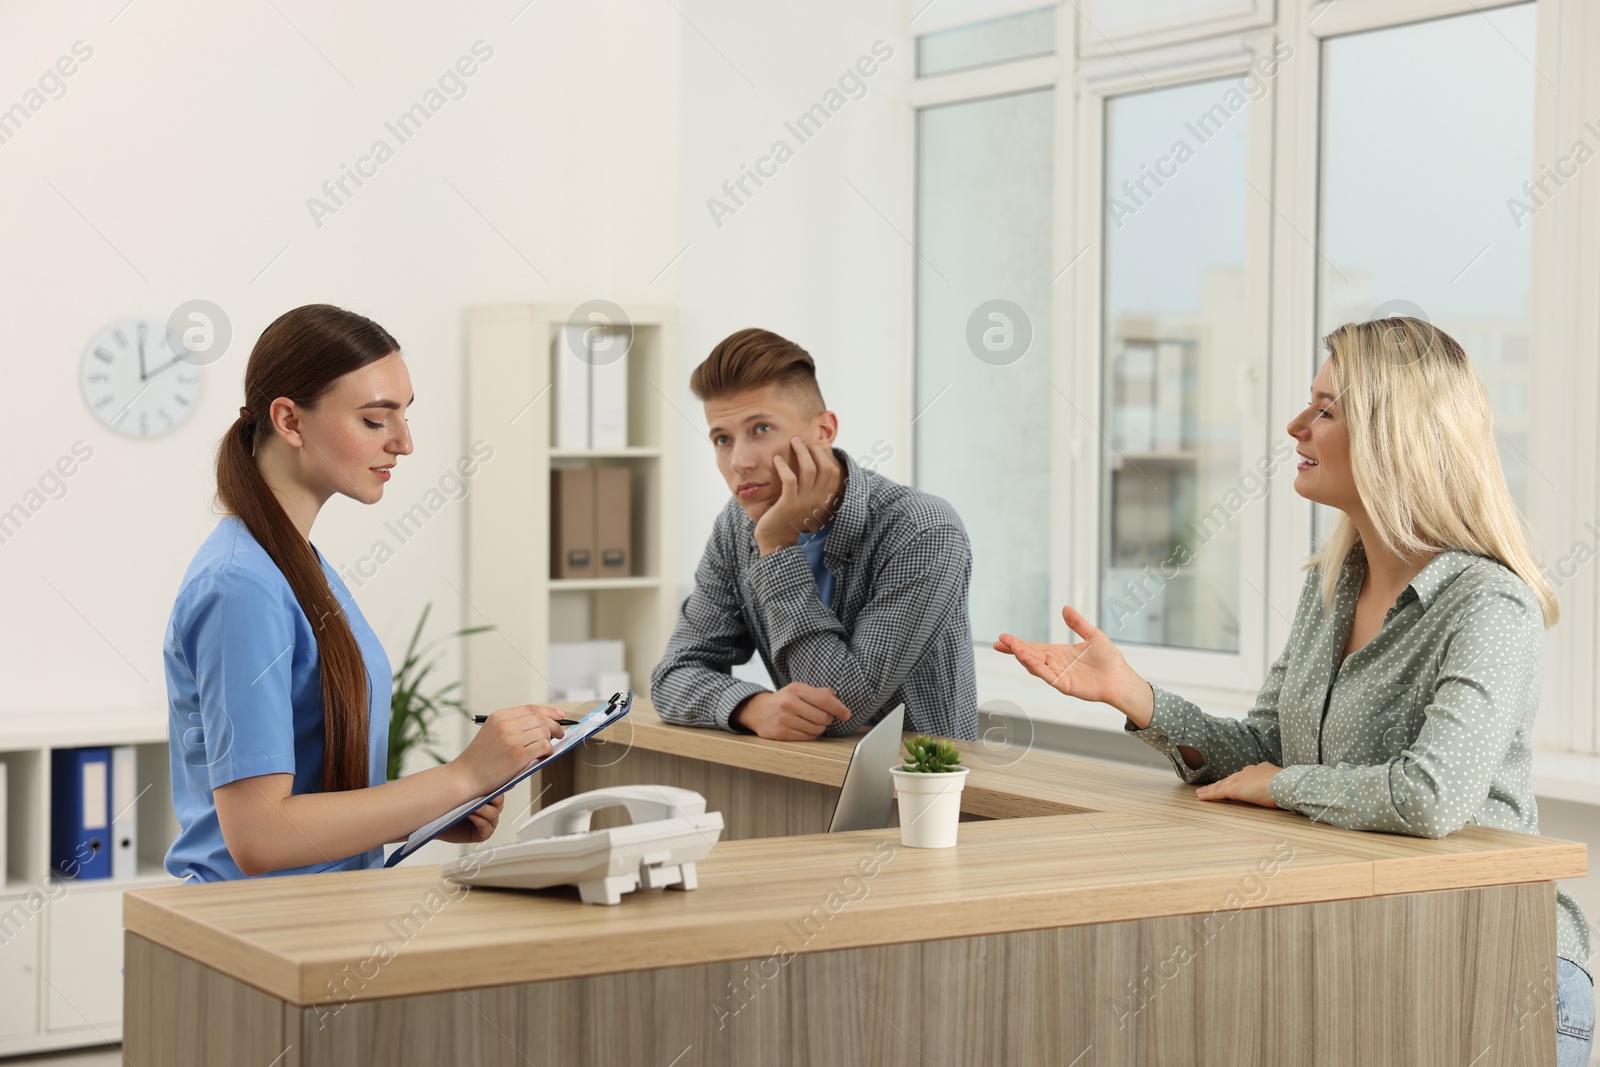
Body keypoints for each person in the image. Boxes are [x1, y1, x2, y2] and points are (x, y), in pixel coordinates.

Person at [995, 316, 1593, 1064]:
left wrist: (1284, 787)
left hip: (1502, 969)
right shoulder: (1332, 587)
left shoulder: (1487, 604)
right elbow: (1262, 752)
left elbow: (1429, 796)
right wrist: (1136, 696)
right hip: (1383, 958)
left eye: (1326, 409)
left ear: (1392, 437)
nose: (1295, 425)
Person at [164, 304, 565, 881]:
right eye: (377, 420)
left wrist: (432, 811)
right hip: (249, 932)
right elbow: (261, 836)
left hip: (318, 919)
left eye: (404, 416)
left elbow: (307, 795)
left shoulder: (296, 564)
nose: (403, 443)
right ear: (290, 421)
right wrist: (462, 778)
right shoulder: (242, 585)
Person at [651, 327, 978, 741]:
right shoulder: (735, 526)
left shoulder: (923, 530)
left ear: (824, 431)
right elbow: (673, 676)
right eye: (722, 438)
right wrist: (751, 707)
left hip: (922, 792)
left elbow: (838, 707)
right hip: (806, 783)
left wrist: (777, 548)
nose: (739, 461)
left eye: (761, 429)